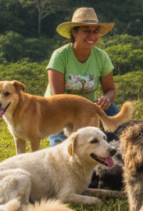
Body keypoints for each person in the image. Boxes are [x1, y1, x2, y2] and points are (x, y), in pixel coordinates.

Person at [45, 8, 120, 147]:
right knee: (62, 150)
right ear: (74, 32)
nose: (91, 36)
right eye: (86, 31)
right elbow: (58, 98)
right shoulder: (60, 56)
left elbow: (111, 90)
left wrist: (106, 99)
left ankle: (119, 145)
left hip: (87, 109)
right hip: (58, 110)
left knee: (118, 124)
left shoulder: (101, 57)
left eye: (95, 31)